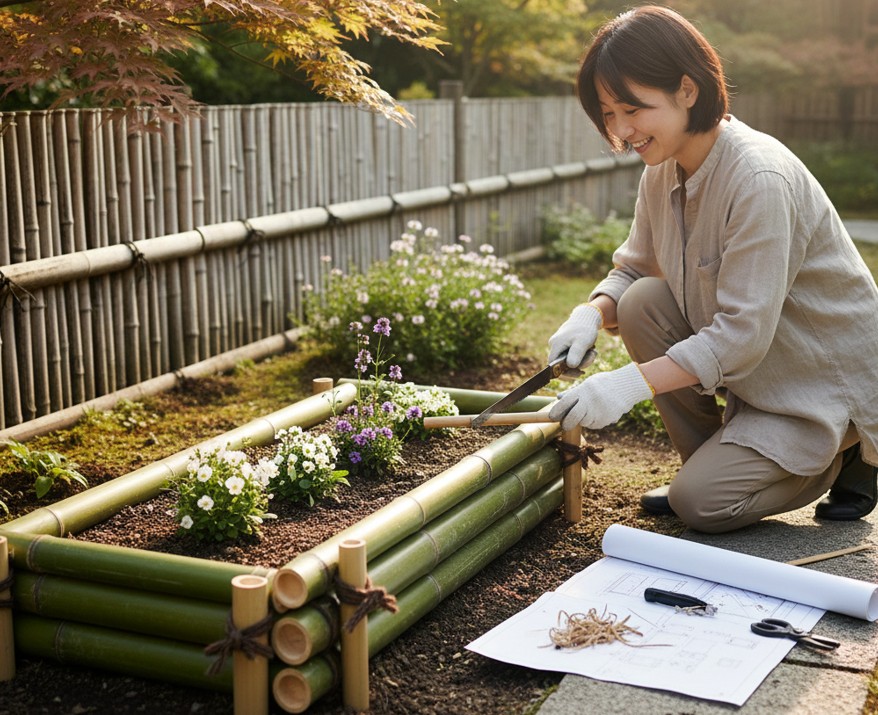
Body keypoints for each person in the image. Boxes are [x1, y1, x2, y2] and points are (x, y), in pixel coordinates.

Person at [547, 5, 878, 534]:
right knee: (639, 305)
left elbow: (741, 337)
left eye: (633, 109)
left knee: (702, 505)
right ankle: (711, 468)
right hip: (761, 372)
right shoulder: (663, 169)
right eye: (609, 114)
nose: (622, 129)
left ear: (687, 90)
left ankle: (845, 448)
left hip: (812, 385)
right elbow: (633, 271)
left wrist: (626, 385)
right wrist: (587, 315)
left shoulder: (758, 178)